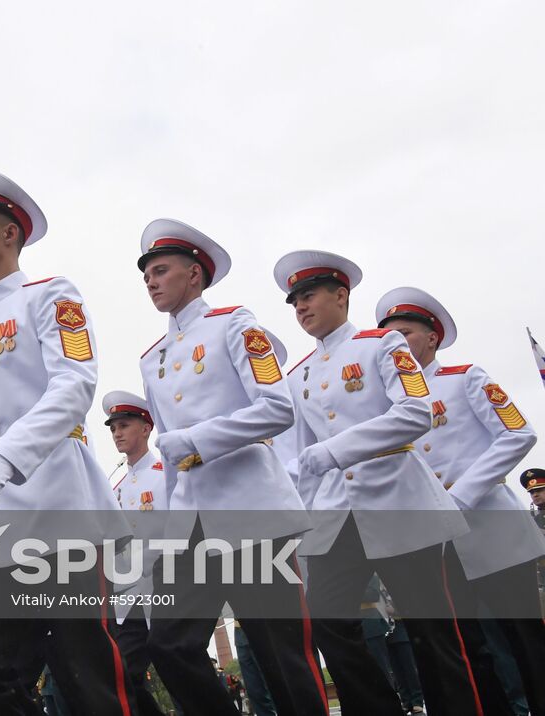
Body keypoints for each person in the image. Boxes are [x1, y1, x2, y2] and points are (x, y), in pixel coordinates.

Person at [0, 169, 133, 715]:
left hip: (55, 506)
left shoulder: (50, 296)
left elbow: (75, 384)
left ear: (9, 234)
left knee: (83, 670)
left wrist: (6, 456)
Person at [273, 250, 482, 714]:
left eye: (309, 296)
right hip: (334, 517)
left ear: (341, 295)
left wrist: (334, 451)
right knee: (327, 622)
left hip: (399, 506)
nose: (301, 308)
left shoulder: (383, 345)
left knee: (435, 633)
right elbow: (295, 459)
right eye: (295, 303)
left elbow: (415, 412)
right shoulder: (299, 375)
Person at [136, 219, 325, 715]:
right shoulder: (151, 358)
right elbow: (175, 462)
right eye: (146, 276)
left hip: (251, 511)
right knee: (169, 645)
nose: (152, 281)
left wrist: (196, 439)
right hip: (192, 524)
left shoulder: (236, 324)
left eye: (161, 270)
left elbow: (277, 407)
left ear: (194, 275)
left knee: (280, 654)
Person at [376, 286, 545, 714]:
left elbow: (518, 433)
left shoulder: (464, 378)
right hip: (438, 548)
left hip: (494, 533)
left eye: (406, 333)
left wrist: (460, 496)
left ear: (433, 338)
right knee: (469, 650)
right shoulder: (385, 403)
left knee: (526, 641)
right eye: (388, 339)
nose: (397, 344)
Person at [101, 390, 170, 716]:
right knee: (124, 677)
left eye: (124, 425)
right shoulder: (115, 489)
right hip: (128, 602)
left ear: (146, 427)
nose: (117, 434)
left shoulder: (166, 475)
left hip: (165, 593)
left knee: (180, 672)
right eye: (113, 428)